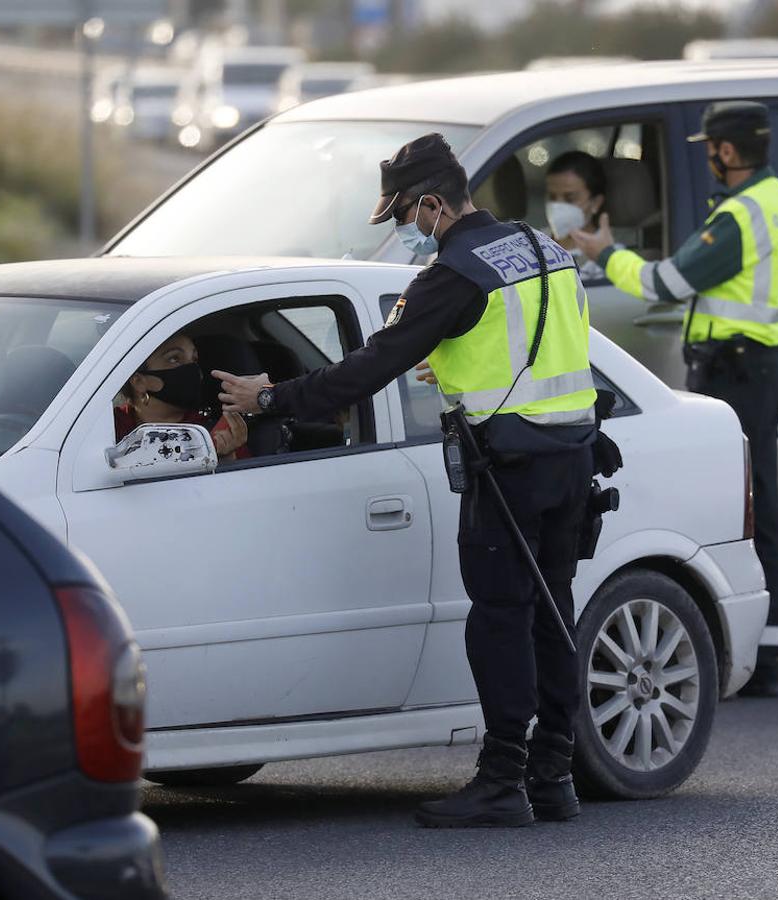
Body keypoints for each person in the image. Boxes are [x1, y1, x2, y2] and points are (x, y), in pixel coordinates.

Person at [215, 133, 601, 827]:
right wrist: (452, 359)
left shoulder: (453, 274)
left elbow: (366, 371)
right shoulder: (540, 246)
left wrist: (268, 398)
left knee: (500, 623)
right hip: (572, 455)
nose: (406, 231)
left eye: (406, 217)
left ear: (432, 204)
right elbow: (535, 342)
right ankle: (552, 777)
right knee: (552, 613)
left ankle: (501, 782)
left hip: (508, 468)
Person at [570, 100, 778, 697]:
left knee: (738, 510)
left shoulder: (740, 216)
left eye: (709, 149)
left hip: (734, 372)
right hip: (765, 367)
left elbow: (668, 283)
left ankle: (759, 660)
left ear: (726, 152)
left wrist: (604, 253)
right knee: (763, 506)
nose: (707, 158)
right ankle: (769, 651)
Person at [116, 332, 249, 462]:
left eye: (194, 359)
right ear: (139, 381)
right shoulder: (107, 429)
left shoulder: (212, 433)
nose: (192, 369)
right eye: (174, 359)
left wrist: (225, 457)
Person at [544, 150, 608, 280]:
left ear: (596, 203)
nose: (557, 206)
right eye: (552, 197)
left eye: (570, 199)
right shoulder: (531, 241)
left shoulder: (608, 258)